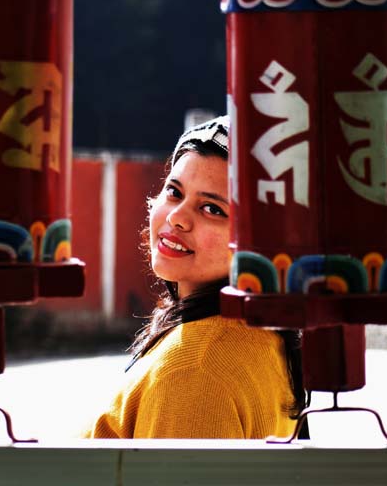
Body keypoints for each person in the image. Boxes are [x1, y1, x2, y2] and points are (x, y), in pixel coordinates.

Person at [85, 116, 304, 438]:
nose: (177, 217)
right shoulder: (260, 333)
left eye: (212, 209)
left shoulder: (194, 369)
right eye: (174, 192)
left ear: (262, 241)